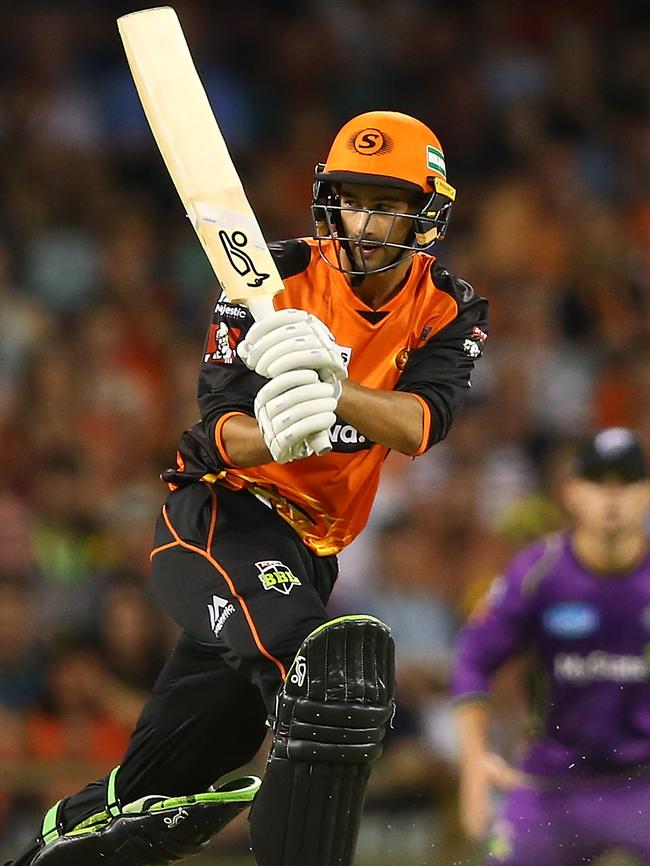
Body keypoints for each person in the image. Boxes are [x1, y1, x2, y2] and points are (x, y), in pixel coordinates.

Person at [7, 110, 488, 866]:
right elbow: (222, 427)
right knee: (324, 673)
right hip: (217, 516)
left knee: (167, 775)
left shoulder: (450, 307)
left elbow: (421, 423)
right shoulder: (265, 276)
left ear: (425, 214)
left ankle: (57, 842)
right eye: (353, 198)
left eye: (387, 202)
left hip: (309, 552)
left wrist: (335, 392)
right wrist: (279, 434)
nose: (364, 221)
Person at [452, 427, 650, 866]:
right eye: (599, 482)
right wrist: (474, 766)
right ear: (572, 493)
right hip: (549, 787)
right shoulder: (538, 574)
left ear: (647, 493)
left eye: (627, 482)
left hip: (644, 785)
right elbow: (472, 659)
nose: (612, 497)